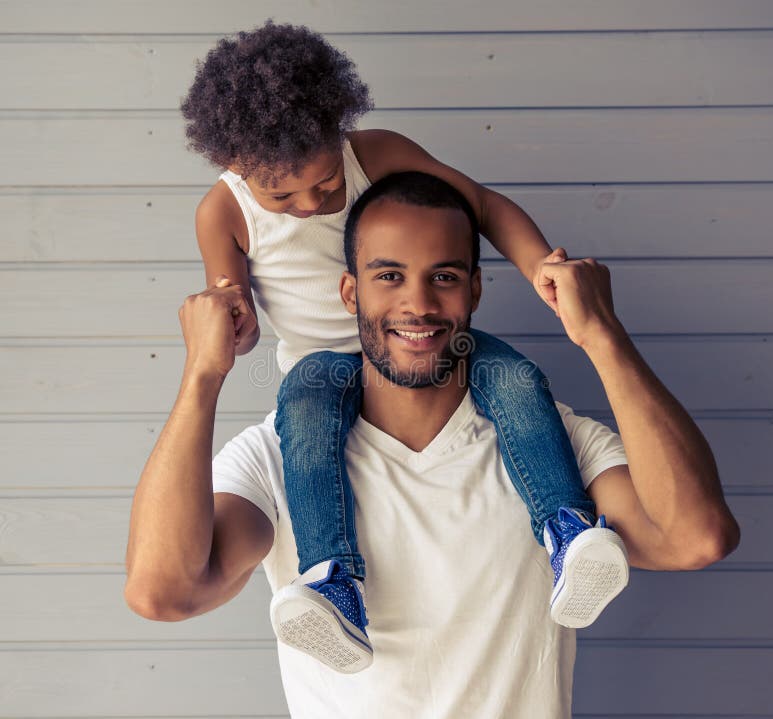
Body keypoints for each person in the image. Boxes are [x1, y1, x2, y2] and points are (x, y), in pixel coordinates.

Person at [124, 171, 739, 718]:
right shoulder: (281, 454)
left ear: (474, 290)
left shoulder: (547, 439)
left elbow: (695, 537)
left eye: (443, 277)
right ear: (349, 294)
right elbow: (163, 590)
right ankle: (335, 583)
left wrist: (601, 334)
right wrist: (203, 374)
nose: (417, 304)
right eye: (388, 276)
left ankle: (564, 531)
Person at [178, 21, 629, 668]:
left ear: (341, 135)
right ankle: (332, 580)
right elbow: (229, 299)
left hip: (429, 344)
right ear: (234, 164)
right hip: (323, 364)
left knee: (517, 381)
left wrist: (541, 269)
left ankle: (569, 532)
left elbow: (480, 204)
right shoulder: (222, 214)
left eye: (327, 184)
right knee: (301, 419)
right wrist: (235, 322)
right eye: (282, 195)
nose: (309, 203)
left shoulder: (378, 153)